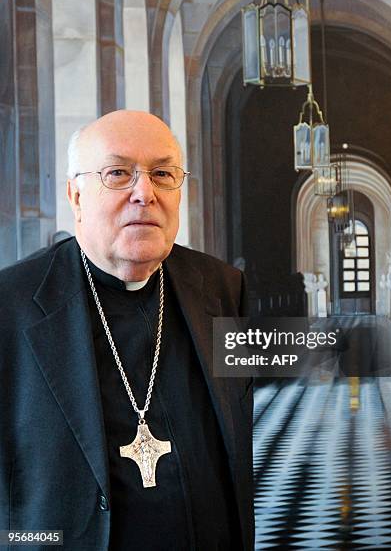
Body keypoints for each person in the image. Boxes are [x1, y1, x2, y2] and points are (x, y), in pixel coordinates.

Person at [0, 111, 254, 550]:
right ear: (75, 194)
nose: (145, 193)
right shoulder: (11, 304)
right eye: (118, 173)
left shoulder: (222, 288)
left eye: (162, 174)